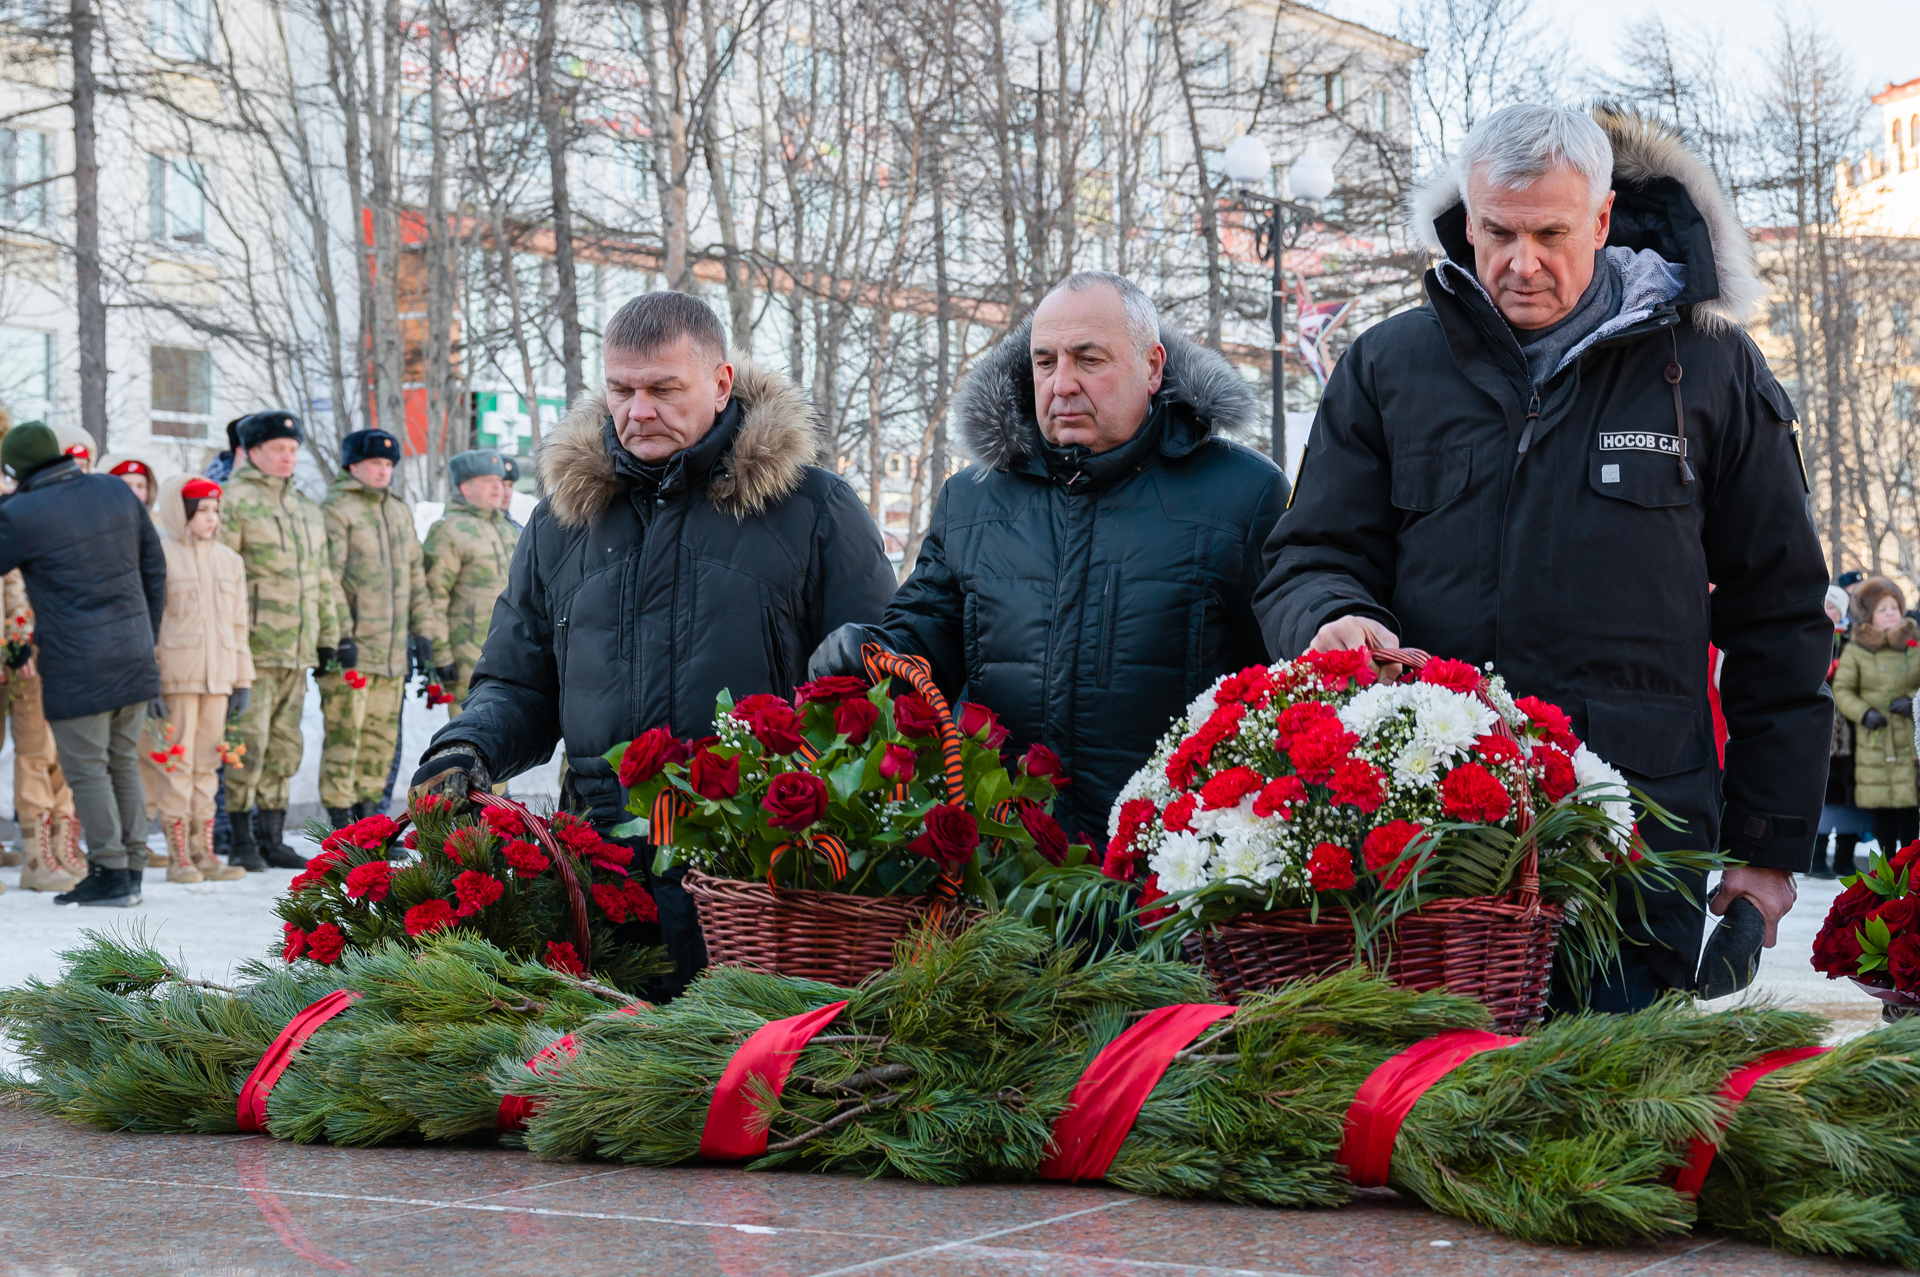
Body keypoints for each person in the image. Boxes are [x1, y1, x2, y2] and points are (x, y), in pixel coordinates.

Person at [1256, 105, 1830, 1013]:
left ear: (1601, 221)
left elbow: (1782, 611)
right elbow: (1310, 553)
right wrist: (1328, 613)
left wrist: (1767, 843)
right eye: (1498, 232)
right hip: (1424, 837)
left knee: (1603, 1134)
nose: (1522, 263)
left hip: (1639, 839)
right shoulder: (1389, 366)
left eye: (1551, 233)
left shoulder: (1711, 369)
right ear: (1468, 221)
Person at [410, 291, 896, 996]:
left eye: (665, 389)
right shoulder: (560, 523)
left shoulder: (812, 509)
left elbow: (874, 684)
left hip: (757, 883)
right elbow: (519, 682)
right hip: (601, 877)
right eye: (622, 389)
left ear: (721, 382)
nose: (640, 411)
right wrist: (471, 743)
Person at [809, 272, 1287, 841]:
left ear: (1153, 367)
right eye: (1045, 362)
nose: (1062, 384)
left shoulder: (1243, 494)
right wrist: (872, 654)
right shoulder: (972, 498)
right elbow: (926, 634)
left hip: (1171, 875)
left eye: (1088, 360)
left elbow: (1281, 687)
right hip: (1007, 873)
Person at [0, 422, 167, 906]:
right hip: (134, 655)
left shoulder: (20, 513)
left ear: (16, 471)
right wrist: (144, 635)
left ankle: (110, 871)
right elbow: (154, 568)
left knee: (88, 769)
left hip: (77, 662)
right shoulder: (115, 490)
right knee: (122, 764)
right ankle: (132, 868)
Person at [219, 409, 342, 870]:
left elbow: (321, 579)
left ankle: (272, 837)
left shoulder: (304, 508)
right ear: (252, 452)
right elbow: (222, 578)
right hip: (253, 648)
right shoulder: (233, 501)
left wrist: (328, 637)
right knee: (247, 744)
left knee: (284, 746)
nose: (289, 458)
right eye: (279, 450)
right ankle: (241, 838)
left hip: (297, 647)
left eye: (293, 450)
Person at [143, 475, 250, 882]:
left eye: (215, 510)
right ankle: (178, 856)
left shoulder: (230, 561)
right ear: (181, 512)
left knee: (208, 765)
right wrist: (150, 676)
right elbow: (152, 623)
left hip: (219, 677)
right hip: (178, 677)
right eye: (202, 510)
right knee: (178, 764)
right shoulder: (162, 555)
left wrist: (243, 680)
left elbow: (239, 626)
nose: (211, 518)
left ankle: (202, 851)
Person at [320, 428, 428, 828]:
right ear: (353, 465)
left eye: (388, 465)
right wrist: (339, 635)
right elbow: (327, 578)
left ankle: (370, 826)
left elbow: (416, 578)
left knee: (379, 745)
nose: (384, 472)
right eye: (375, 464)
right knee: (346, 739)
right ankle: (341, 827)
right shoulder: (336, 510)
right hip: (353, 651)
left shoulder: (398, 511)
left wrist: (424, 635)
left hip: (391, 652)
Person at [420, 448, 518, 718]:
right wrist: (440, 655)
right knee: (468, 740)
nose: (497, 487)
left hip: (510, 657)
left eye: (499, 481)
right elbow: (433, 598)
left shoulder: (509, 531)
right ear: (466, 488)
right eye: (488, 481)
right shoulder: (448, 531)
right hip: (467, 658)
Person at [1833, 578, 1920, 860]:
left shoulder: (1915, 646)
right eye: (1883, 609)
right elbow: (1842, 690)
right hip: (1874, 743)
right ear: (1869, 613)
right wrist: (1863, 712)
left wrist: (1913, 704)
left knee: (1910, 812)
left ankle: (1911, 877)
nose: (1891, 613)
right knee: (1882, 814)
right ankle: (1887, 878)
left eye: (1895, 607)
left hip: (1909, 741)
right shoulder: (1856, 650)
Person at [1812, 583, 1867, 880]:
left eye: (1835, 607)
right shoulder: (1809, 635)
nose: (1830, 611)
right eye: (1826, 605)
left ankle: (1845, 859)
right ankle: (1816, 857)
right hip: (1821, 727)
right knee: (1821, 797)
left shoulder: (1853, 642)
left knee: (1849, 797)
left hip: (1850, 732)